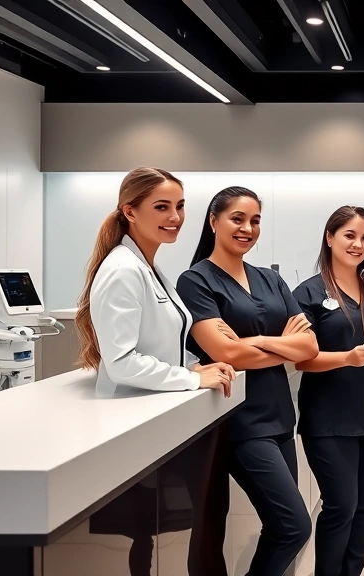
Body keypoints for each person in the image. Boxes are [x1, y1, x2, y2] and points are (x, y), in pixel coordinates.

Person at [75, 167, 235, 576]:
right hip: (131, 422)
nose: (175, 217)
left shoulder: (148, 265)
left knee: (167, 530)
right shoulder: (123, 270)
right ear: (129, 211)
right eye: (161, 207)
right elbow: (123, 360)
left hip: (156, 418)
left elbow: (158, 343)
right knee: (145, 535)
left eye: (180, 206)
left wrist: (195, 364)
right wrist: (191, 378)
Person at [177, 186, 319, 576]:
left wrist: (255, 341)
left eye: (255, 220)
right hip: (239, 422)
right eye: (237, 218)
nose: (248, 228)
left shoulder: (269, 280)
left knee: (281, 526)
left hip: (280, 419)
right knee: (295, 526)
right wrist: (280, 345)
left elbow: (309, 346)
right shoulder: (196, 280)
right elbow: (228, 355)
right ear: (213, 221)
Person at [291, 206, 364, 576]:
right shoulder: (306, 293)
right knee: (341, 504)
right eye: (349, 235)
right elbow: (301, 361)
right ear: (330, 237)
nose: (358, 244)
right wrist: (347, 358)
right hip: (328, 417)